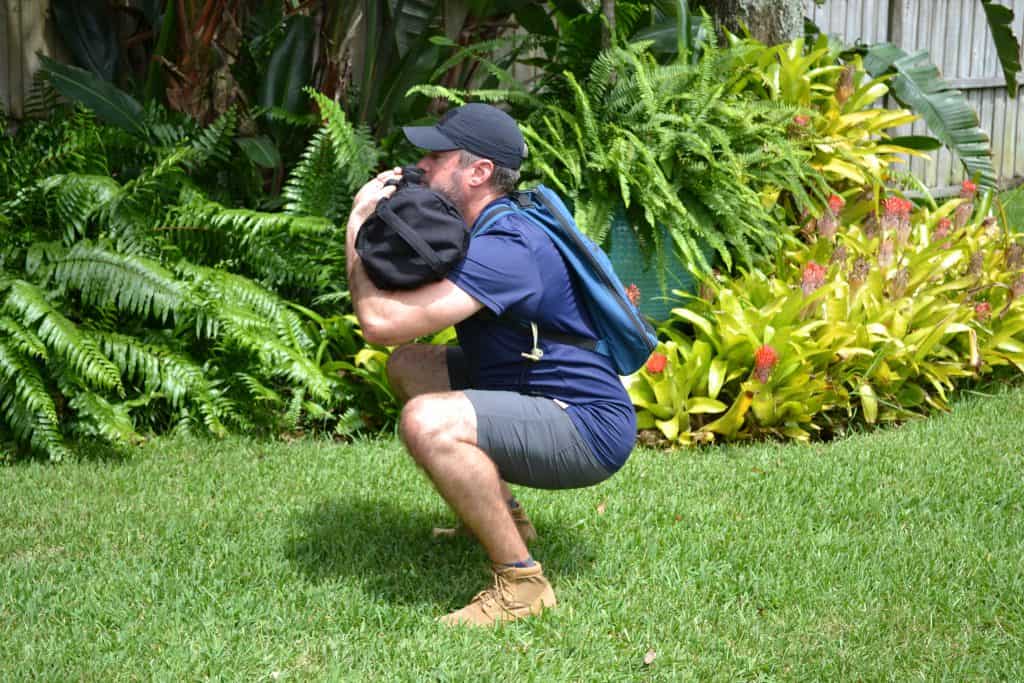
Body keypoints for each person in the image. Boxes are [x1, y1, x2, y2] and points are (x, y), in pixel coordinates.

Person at [345, 103, 636, 626]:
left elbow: (379, 322)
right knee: (410, 367)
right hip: (533, 386)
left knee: (427, 422)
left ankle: (522, 584)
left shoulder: (508, 247)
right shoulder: (486, 227)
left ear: (477, 172)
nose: (421, 167)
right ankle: (508, 519)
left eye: (436, 156)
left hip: (585, 422)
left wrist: (358, 224)